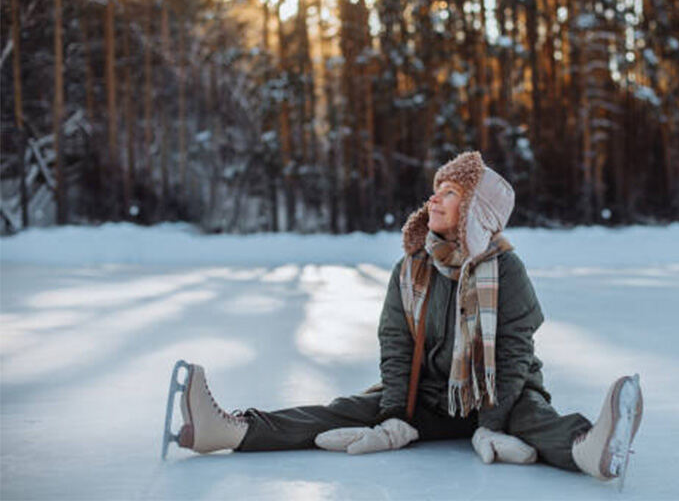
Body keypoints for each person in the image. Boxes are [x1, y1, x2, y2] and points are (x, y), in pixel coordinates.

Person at [166, 150, 643, 482]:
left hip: (500, 394)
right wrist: (397, 415)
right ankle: (231, 429)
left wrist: (492, 424)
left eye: (451, 193)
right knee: (345, 410)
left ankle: (589, 448)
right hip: (428, 397)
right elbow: (396, 343)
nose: (433, 199)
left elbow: (514, 356)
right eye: (436, 190)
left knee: (534, 418)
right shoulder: (412, 266)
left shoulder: (506, 271)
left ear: (477, 211)